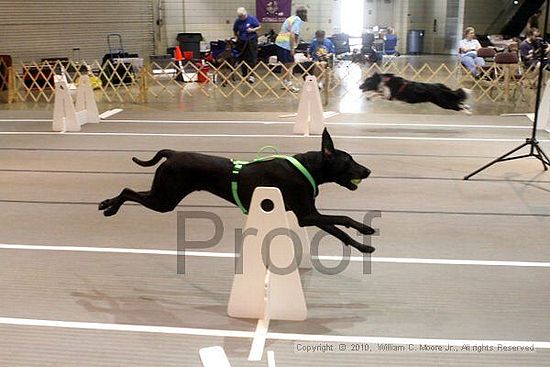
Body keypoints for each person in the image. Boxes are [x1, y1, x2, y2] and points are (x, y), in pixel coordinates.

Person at [275, 5, 308, 92]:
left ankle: (284, 83)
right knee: (290, 64)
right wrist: (292, 48)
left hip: (279, 42)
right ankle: (289, 84)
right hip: (285, 44)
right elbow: (292, 34)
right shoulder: (298, 20)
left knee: (285, 65)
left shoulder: (292, 18)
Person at [233, 7, 261, 83]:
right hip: (242, 41)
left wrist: (252, 30)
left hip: (251, 40)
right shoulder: (237, 21)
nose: (242, 18)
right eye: (240, 17)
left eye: (243, 16)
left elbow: (259, 26)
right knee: (242, 58)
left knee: (252, 58)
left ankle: (252, 75)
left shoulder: (252, 18)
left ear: (245, 14)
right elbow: (235, 30)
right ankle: (244, 75)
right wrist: (236, 37)